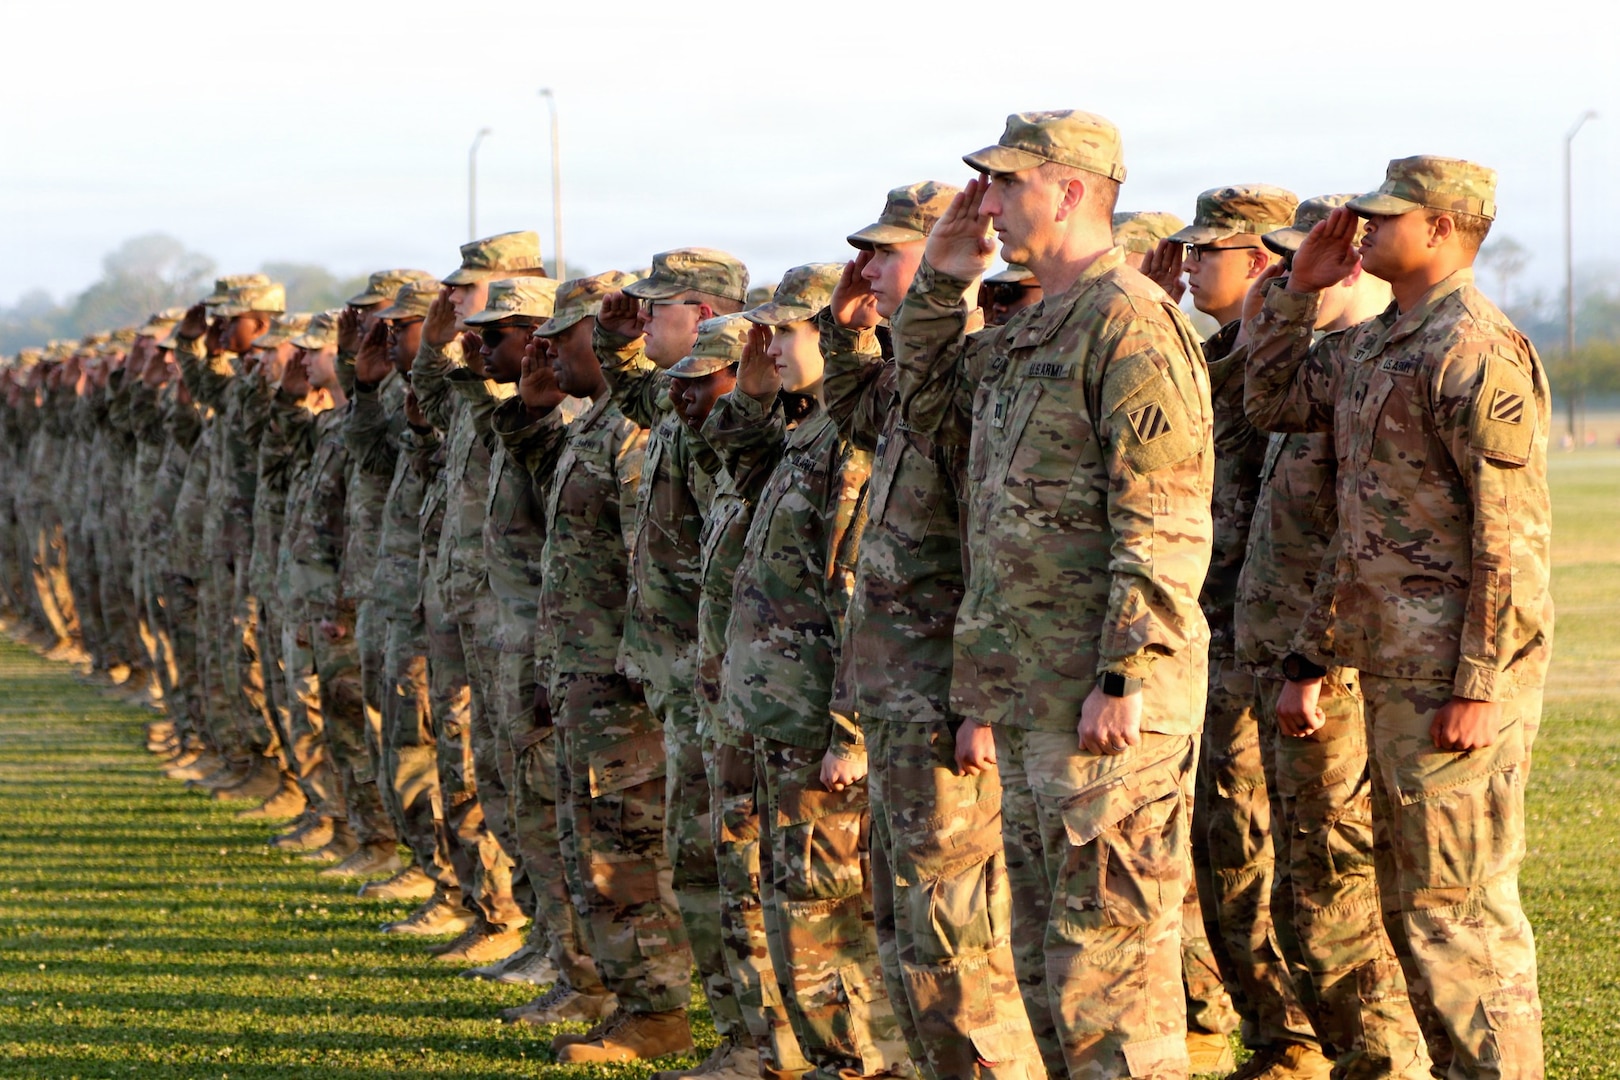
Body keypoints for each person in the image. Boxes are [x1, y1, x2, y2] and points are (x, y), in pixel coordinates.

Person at [895, 110, 1215, 1078]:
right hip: (1034, 695)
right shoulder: (1034, 327)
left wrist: (1125, 674)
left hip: (1104, 701)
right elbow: (919, 412)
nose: (986, 202)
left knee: (1110, 973)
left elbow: (1162, 517)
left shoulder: (1129, 323)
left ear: (1070, 190)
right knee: (1051, 973)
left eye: (1005, 183)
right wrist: (943, 282)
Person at [1245, 156, 1552, 1080]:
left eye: (1386, 218)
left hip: (1452, 682)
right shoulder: (1377, 343)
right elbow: (1268, 400)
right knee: (1417, 912)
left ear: (1445, 229)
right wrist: (1297, 295)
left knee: (1460, 916)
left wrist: (1479, 687)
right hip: (1387, 669)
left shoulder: (1475, 350)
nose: (1364, 230)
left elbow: (1511, 542)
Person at [823, 180, 1047, 1079]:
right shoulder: (927, 376)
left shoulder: (986, 371)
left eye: (886, 252)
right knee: (907, 924)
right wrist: (848, 333)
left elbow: (1004, 545)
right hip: (897, 685)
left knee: (956, 933)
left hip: (949, 690)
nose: (868, 269)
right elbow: (858, 410)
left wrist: (983, 698)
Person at [1232, 194, 1431, 1079]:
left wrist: (1313, 658)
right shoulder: (1330, 368)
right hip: (1288, 665)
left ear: (1347, 264)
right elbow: (1255, 397)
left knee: (1337, 895)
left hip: (1332, 676)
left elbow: (1361, 538)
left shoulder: (1371, 370)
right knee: (1304, 893)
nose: (1284, 275)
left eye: (1299, 261)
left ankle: (1387, 1063)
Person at [1158, 185, 1337, 1080]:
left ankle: (1290, 1035)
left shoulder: (1283, 363)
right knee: (1217, 844)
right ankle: (1256, 1028)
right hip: (1216, 629)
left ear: (1262, 263)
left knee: (1259, 847)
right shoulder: (1221, 355)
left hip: (1268, 636)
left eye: (1206, 252)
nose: (1188, 266)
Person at [496, 270, 696, 1065]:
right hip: (585, 670)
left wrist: (639, 672)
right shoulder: (596, 423)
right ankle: (622, 999)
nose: (547, 348)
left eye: (564, 334)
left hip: (623, 680)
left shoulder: (634, 432)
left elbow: (655, 558)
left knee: (628, 849)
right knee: (595, 847)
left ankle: (656, 1011)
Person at [709, 282, 908, 1079]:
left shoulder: (847, 446)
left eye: (788, 334)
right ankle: (828, 1061)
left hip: (818, 720)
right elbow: (727, 450)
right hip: (778, 713)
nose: (775, 348)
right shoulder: (804, 431)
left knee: (828, 909)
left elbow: (854, 588)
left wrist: (849, 731)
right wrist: (753, 390)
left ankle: (860, 1064)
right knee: (796, 906)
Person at [591, 248, 754, 1079]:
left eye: (658, 307)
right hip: (679, 674)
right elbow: (635, 391)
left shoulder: (726, 413)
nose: (645, 317)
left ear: (704, 312)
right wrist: (619, 344)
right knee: (697, 860)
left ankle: (758, 1042)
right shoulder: (679, 401)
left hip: (716, 674)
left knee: (724, 859)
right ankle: (733, 1037)